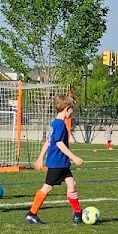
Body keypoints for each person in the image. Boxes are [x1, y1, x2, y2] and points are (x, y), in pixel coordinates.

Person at [24, 95, 85, 225]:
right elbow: (58, 143)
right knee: (47, 188)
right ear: (67, 109)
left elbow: (48, 141)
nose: (72, 113)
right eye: (71, 110)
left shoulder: (54, 123)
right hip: (57, 162)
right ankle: (32, 213)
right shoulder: (60, 125)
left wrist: (40, 158)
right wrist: (74, 157)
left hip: (62, 163)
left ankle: (77, 214)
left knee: (71, 185)